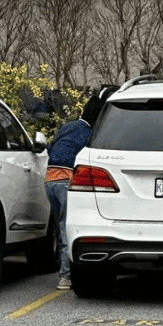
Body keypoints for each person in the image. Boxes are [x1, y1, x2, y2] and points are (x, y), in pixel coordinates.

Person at [45, 94, 103, 290]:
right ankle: (65, 276)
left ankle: (64, 272)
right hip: (66, 181)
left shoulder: (67, 127)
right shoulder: (91, 133)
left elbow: (51, 147)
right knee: (65, 227)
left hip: (50, 181)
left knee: (59, 227)